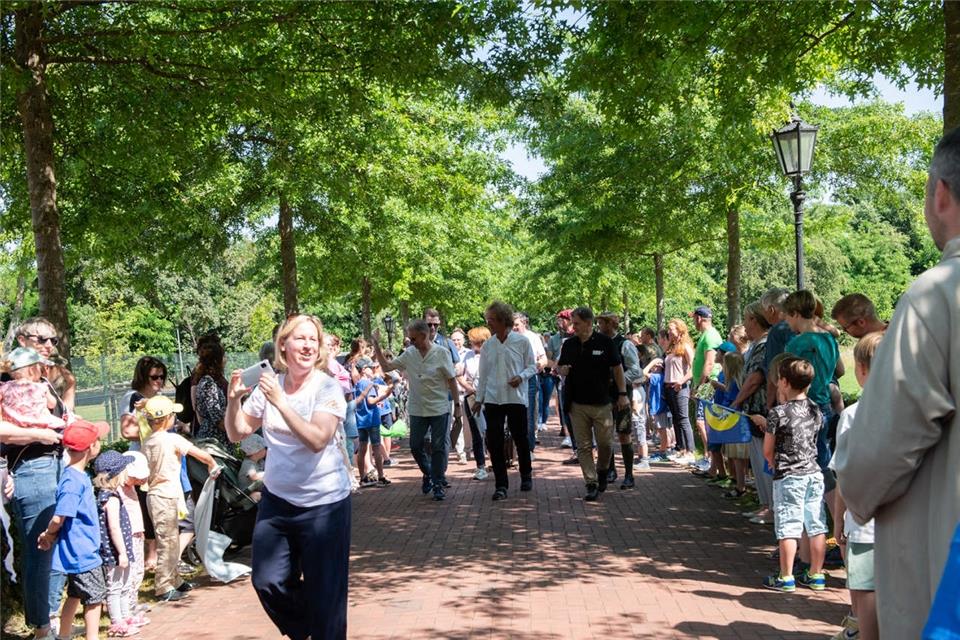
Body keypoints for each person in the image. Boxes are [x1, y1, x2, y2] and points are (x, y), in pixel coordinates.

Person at [835, 128, 960, 639]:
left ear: (942, 193)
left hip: (943, 579)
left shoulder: (936, 297)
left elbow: (873, 460)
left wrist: (851, 497)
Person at [225, 313, 352, 640]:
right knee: (266, 579)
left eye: (314, 339)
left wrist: (280, 402)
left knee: (327, 597)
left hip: (325, 504)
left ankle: (322, 624)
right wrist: (233, 400)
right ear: (283, 345)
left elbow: (316, 440)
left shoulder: (327, 388)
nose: (308, 345)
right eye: (301, 338)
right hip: (278, 501)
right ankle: (307, 626)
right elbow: (238, 432)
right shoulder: (270, 386)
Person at [2, 317, 70, 640]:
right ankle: (42, 627)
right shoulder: (6, 378)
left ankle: (50, 616)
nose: (49, 346)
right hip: (30, 469)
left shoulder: (47, 378)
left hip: (56, 465)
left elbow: (64, 419)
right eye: (42, 339)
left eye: (53, 340)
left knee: (55, 545)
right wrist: (39, 435)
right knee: (40, 549)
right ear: (21, 339)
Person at [750, 357, 827, 593]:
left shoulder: (778, 413)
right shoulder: (816, 409)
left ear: (784, 382)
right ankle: (816, 574)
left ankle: (786, 576)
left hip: (788, 475)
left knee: (788, 526)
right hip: (813, 473)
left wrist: (766, 428)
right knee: (815, 523)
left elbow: (767, 450)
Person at [829, 332, 883, 640]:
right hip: (907, 524)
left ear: (861, 370)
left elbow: (843, 477)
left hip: (864, 523)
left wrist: (838, 521)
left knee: (864, 591)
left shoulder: (852, 416)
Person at [372, 319, 461, 501]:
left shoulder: (442, 353)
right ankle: (428, 472)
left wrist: (457, 407)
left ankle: (437, 484)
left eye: (413, 339)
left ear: (423, 336)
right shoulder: (410, 354)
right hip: (417, 408)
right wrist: (377, 346)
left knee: (437, 447)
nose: (411, 342)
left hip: (439, 408)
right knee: (415, 445)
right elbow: (387, 367)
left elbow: (452, 380)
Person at [141, 395, 219, 602]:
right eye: (173, 415)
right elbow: (201, 455)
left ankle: (174, 580)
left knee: (171, 539)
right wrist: (212, 465)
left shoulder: (147, 441)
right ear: (167, 419)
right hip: (166, 496)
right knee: (167, 542)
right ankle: (163, 586)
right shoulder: (172, 438)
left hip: (155, 495)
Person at [37, 419, 110, 640]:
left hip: (78, 551)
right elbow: (60, 515)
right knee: (94, 600)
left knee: (75, 595)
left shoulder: (75, 476)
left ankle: (64, 635)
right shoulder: (73, 482)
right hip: (83, 553)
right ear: (91, 448)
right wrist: (49, 533)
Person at [557, 307, 630, 502]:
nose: (573, 327)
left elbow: (617, 369)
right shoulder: (569, 344)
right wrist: (562, 369)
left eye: (577, 323)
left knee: (606, 444)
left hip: (602, 403)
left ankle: (603, 471)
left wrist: (622, 394)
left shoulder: (605, 343)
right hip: (576, 404)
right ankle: (591, 482)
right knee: (583, 446)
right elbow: (560, 366)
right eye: (572, 323)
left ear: (589, 323)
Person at [474, 302, 537, 501]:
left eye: (491, 320)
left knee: (520, 437)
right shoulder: (488, 346)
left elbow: (532, 366)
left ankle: (526, 474)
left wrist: (521, 377)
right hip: (493, 399)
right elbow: (483, 375)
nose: (488, 324)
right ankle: (501, 484)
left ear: (502, 320)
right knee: (494, 441)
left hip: (515, 398)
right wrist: (478, 399)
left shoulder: (521, 342)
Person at [730, 301, 773, 525]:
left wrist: (738, 401)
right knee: (757, 460)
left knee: (764, 459)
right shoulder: (757, 344)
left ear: (754, 320)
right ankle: (765, 504)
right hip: (753, 409)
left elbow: (756, 377)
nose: (744, 325)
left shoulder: (764, 344)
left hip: (759, 409)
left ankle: (771, 507)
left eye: (746, 319)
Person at [92, 450, 138, 638]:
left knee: (125, 584)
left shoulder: (108, 495)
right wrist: (122, 552)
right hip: (115, 551)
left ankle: (126, 616)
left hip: (120, 549)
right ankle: (117, 622)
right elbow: (114, 528)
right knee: (115, 586)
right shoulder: (110, 499)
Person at [596, 311, 644, 488]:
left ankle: (629, 475)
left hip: (621, 396)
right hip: (602, 396)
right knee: (605, 435)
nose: (598, 327)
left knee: (624, 433)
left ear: (610, 324)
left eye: (601, 323)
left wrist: (617, 379)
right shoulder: (598, 343)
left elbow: (635, 371)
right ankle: (610, 470)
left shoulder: (625, 345)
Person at [118, 451, 149, 627]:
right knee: (130, 572)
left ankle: (132, 603)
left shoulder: (130, 488)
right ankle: (126, 608)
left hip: (137, 532)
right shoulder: (119, 490)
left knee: (138, 570)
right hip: (128, 535)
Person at [0, 347, 65, 429]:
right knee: (66, 425)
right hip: (40, 424)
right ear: (31, 370)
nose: (42, 370)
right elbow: (52, 404)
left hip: (15, 427)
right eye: (39, 367)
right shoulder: (40, 387)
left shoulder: (4, 387)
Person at [691, 306, 723, 474]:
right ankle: (711, 463)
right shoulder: (706, 335)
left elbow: (710, 363)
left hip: (709, 384)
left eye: (693, 318)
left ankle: (711, 460)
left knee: (703, 422)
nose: (692, 322)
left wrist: (700, 386)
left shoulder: (710, 336)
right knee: (702, 422)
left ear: (699, 318)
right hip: (705, 384)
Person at [512, 312, 548, 458]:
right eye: (512, 325)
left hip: (529, 380)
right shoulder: (508, 337)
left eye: (516, 325)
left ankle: (529, 449)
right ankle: (512, 449)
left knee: (528, 414)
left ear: (524, 323)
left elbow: (544, 359)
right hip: (512, 379)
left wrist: (536, 366)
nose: (514, 328)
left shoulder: (533, 338)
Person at [353, 359, 392, 488]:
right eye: (371, 367)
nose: (373, 369)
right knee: (376, 447)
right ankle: (381, 476)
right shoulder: (368, 384)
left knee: (363, 448)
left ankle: (363, 477)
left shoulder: (358, 384)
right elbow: (371, 401)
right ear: (364, 369)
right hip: (371, 419)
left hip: (361, 420)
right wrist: (385, 396)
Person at [662, 319, 696, 462]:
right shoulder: (671, 347)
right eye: (668, 330)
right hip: (669, 388)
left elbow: (693, 369)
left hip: (680, 388)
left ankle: (690, 450)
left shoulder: (686, 347)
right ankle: (681, 449)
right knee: (676, 418)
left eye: (671, 329)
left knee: (683, 418)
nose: (669, 332)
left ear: (680, 330)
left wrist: (681, 381)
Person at [460, 326, 490, 480]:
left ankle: (497, 461)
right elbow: (459, 375)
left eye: (474, 341)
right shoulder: (467, 356)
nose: (471, 344)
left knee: (492, 430)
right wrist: (469, 388)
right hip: (471, 396)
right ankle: (480, 466)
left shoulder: (492, 354)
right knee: (477, 432)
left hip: (490, 396)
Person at [192, 335, 230, 448]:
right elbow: (217, 418)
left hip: (214, 439)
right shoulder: (208, 383)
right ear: (217, 360)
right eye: (223, 356)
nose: (225, 360)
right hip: (215, 443)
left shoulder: (207, 381)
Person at [239, 434, 267, 502]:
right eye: (265, 448)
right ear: (256, 450)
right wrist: (267, 473)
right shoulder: (248, 463)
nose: (266, 450)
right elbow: (253, 476)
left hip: (255, 490)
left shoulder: (258, 462)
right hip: (247, 495)